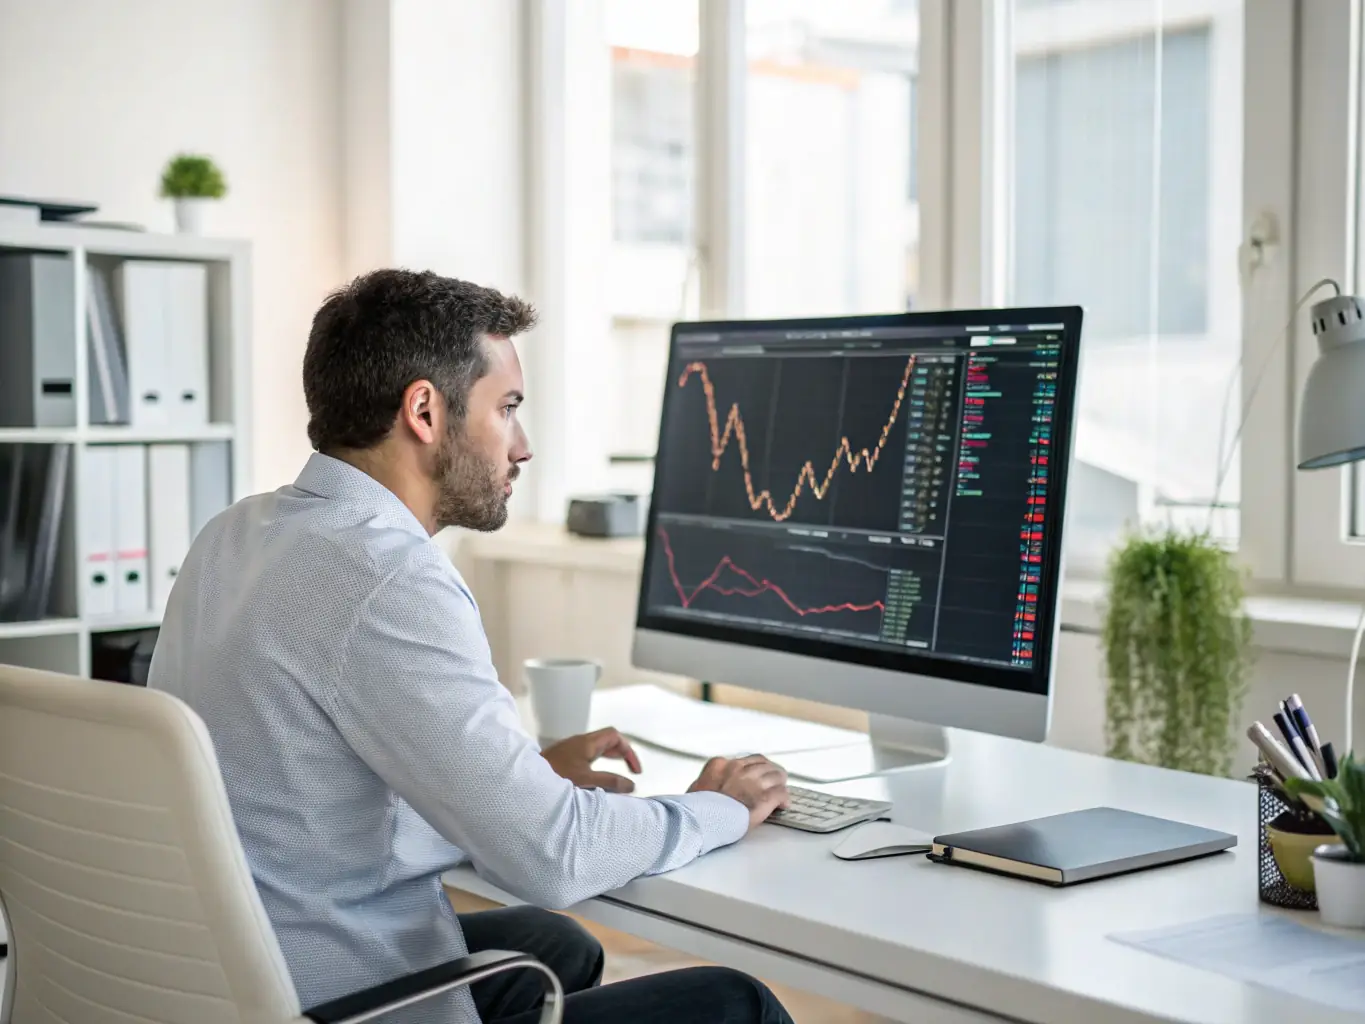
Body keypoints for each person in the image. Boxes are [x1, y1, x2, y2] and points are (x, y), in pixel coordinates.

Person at [147, 268, 796, 1024]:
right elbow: (554, 858)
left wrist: (518, 779)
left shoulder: (237, 532)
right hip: (333, 1002)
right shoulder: (387, 576)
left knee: (552, 946)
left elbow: (296, 792)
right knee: (733, 1003)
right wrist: (716, 809)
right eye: (508, 409)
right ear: (424, 411)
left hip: (234, 968)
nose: (521, 447)